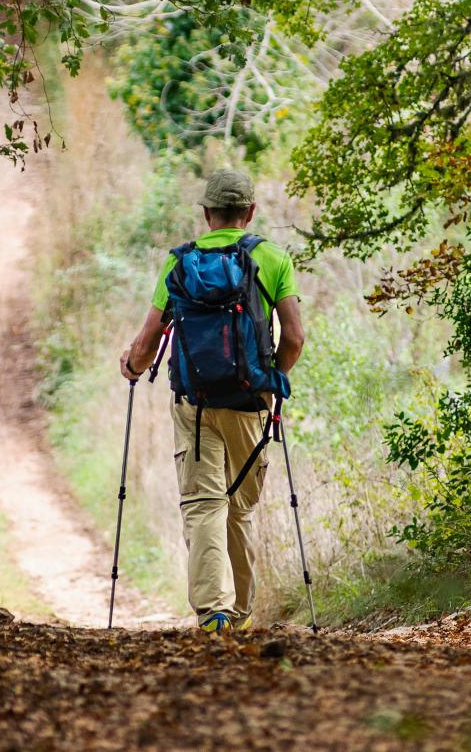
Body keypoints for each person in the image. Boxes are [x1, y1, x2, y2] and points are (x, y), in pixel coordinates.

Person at [120, 169, 304, 632]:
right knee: (238, 506)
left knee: (203, 505)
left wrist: (131, 367)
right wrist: (272, 381)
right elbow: (296, 339)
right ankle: (239, 612)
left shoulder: (179, 264)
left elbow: (146, 345)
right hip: (250, 403)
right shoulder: (273, 258)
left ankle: (213, 612)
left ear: (206, 213)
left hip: (194, 405)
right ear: (251, 212)